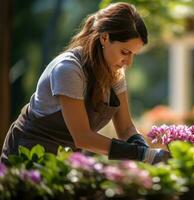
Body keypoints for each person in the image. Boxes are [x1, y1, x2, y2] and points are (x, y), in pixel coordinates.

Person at [1, 2, 169, 164]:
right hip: (28, 155)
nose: (129, 62)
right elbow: (83, 137)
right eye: (125, 52)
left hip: (63, 160)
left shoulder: (116, 73)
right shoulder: (68, 70)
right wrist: (142, 154)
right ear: (104, 37)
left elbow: (125, 128)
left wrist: (143, 148)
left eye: (133, 54)